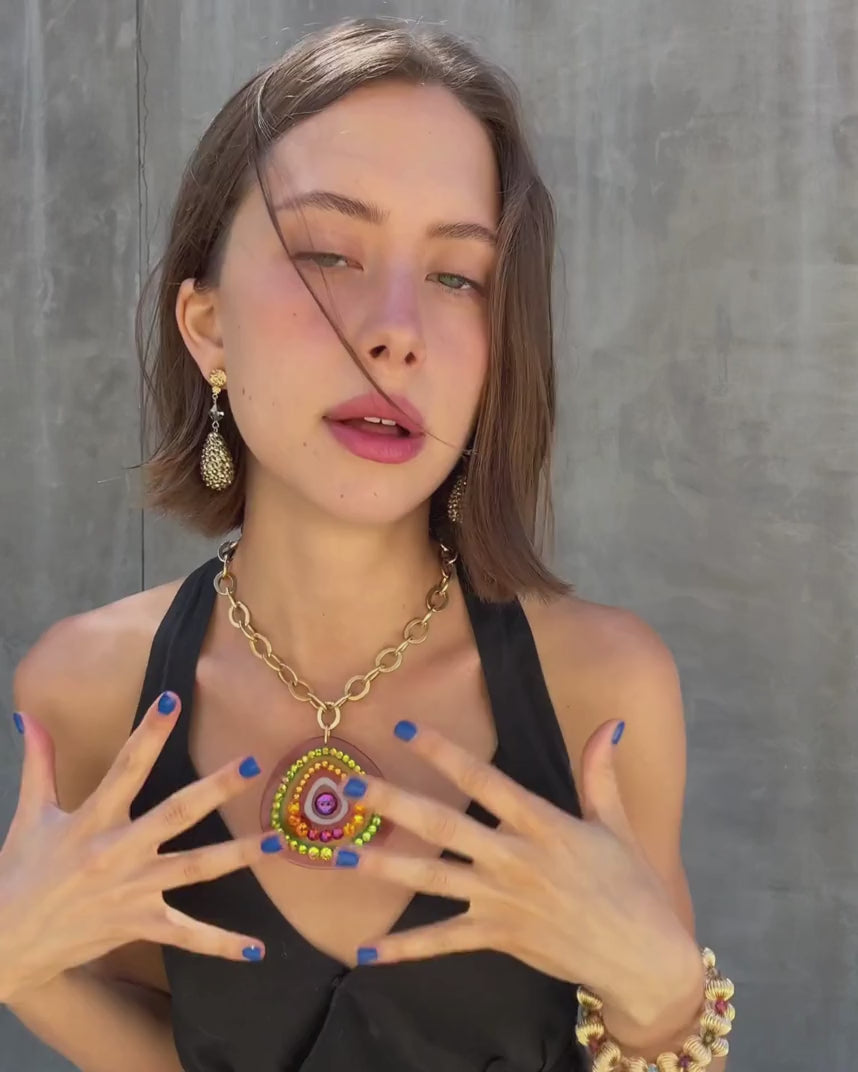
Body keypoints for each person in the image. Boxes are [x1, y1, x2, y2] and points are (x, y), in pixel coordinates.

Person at [0, 18, 735, 1072]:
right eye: (329, 254)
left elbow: (654, 1038)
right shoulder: (88, 694)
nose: (397, 330)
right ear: (207, 325)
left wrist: (662, 999)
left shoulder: (602, 692)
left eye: (457, 276)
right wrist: (16, 966)